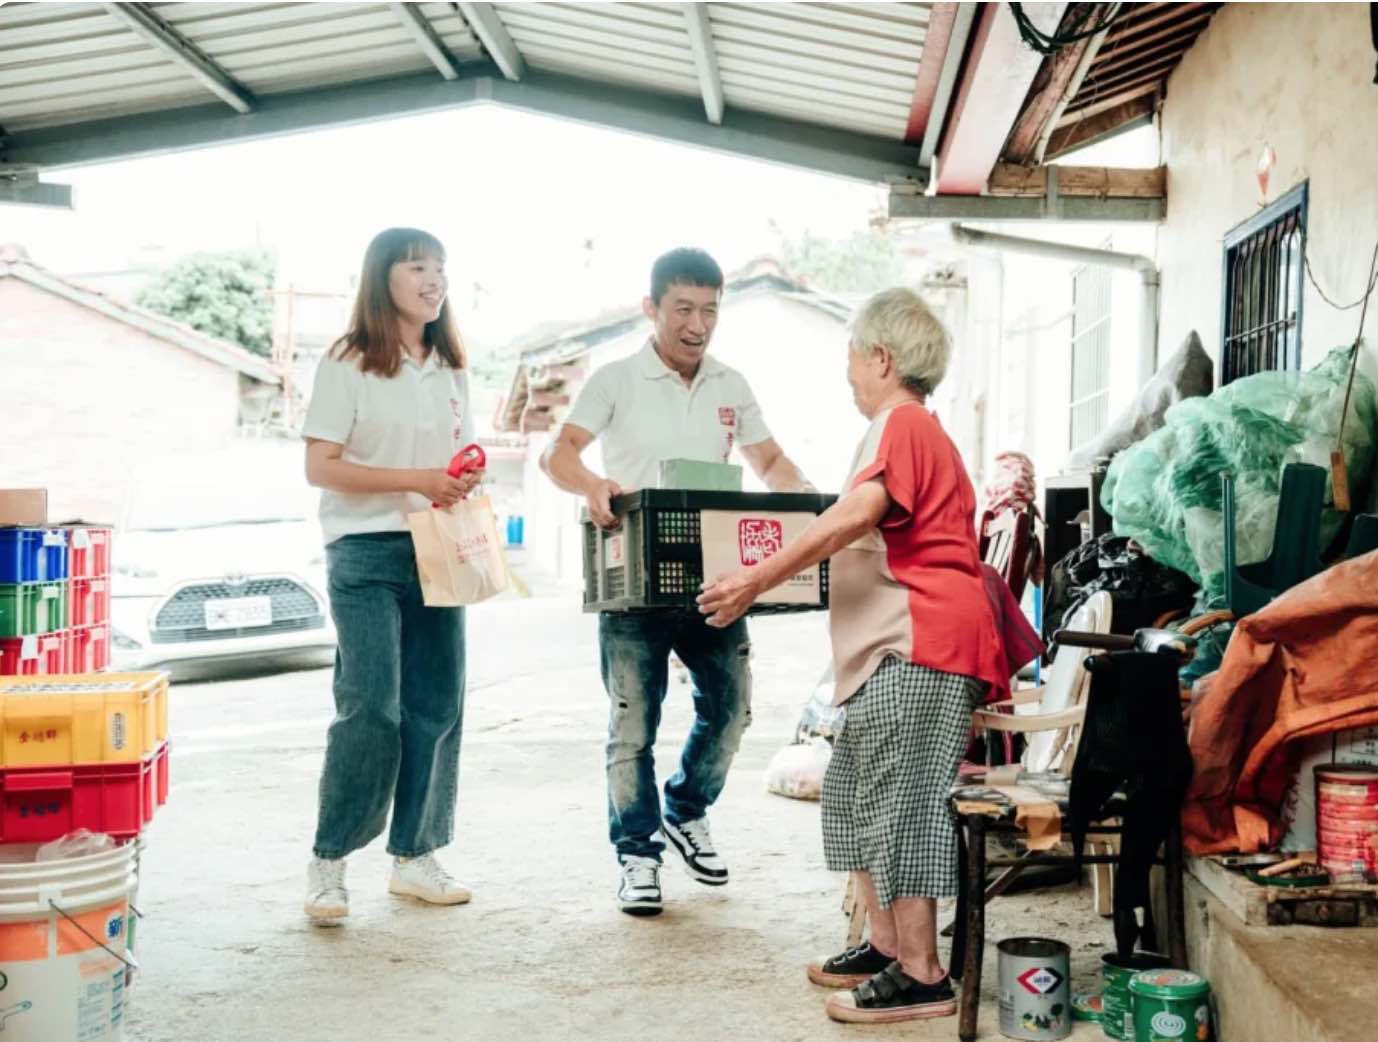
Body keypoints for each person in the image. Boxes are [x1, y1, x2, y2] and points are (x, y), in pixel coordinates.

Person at [697, 287, 1004, 1023]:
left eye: (851, 356)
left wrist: (755, 579)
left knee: (904, 805)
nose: (846, 372)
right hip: (893, 647)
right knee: (850, 795)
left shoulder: (902, 423)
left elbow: (858, 516)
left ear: (882, 358)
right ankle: (887, 944)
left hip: (922, 642)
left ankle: (924, 974)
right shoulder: (899, 431)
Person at [541, 248, 814, 917]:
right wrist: (594, 485)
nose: (699, 323)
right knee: (632, 723)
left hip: (716, 577)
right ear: (652, 308)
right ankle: (637, 854)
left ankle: (686, 807)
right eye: (685, 309)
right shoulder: (616, 379)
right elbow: (559, 453)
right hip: (634, 576)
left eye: (711, 310)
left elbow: (770, 459)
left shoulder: (730, 383)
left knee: (731, 709)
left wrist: (813, 505)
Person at [300, 227, 482, 925]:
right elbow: (321, 466)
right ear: (384, 278)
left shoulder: (450, 363)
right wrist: (422, 479)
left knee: (436, 705)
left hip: (440, 545)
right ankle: (329, 860)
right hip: (366, 551)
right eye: (418, 267)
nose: (434, 280)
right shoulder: (348, 360)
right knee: (371, 705)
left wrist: (463, 474)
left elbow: (455, 454)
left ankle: (415, 856)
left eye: (441, 267)